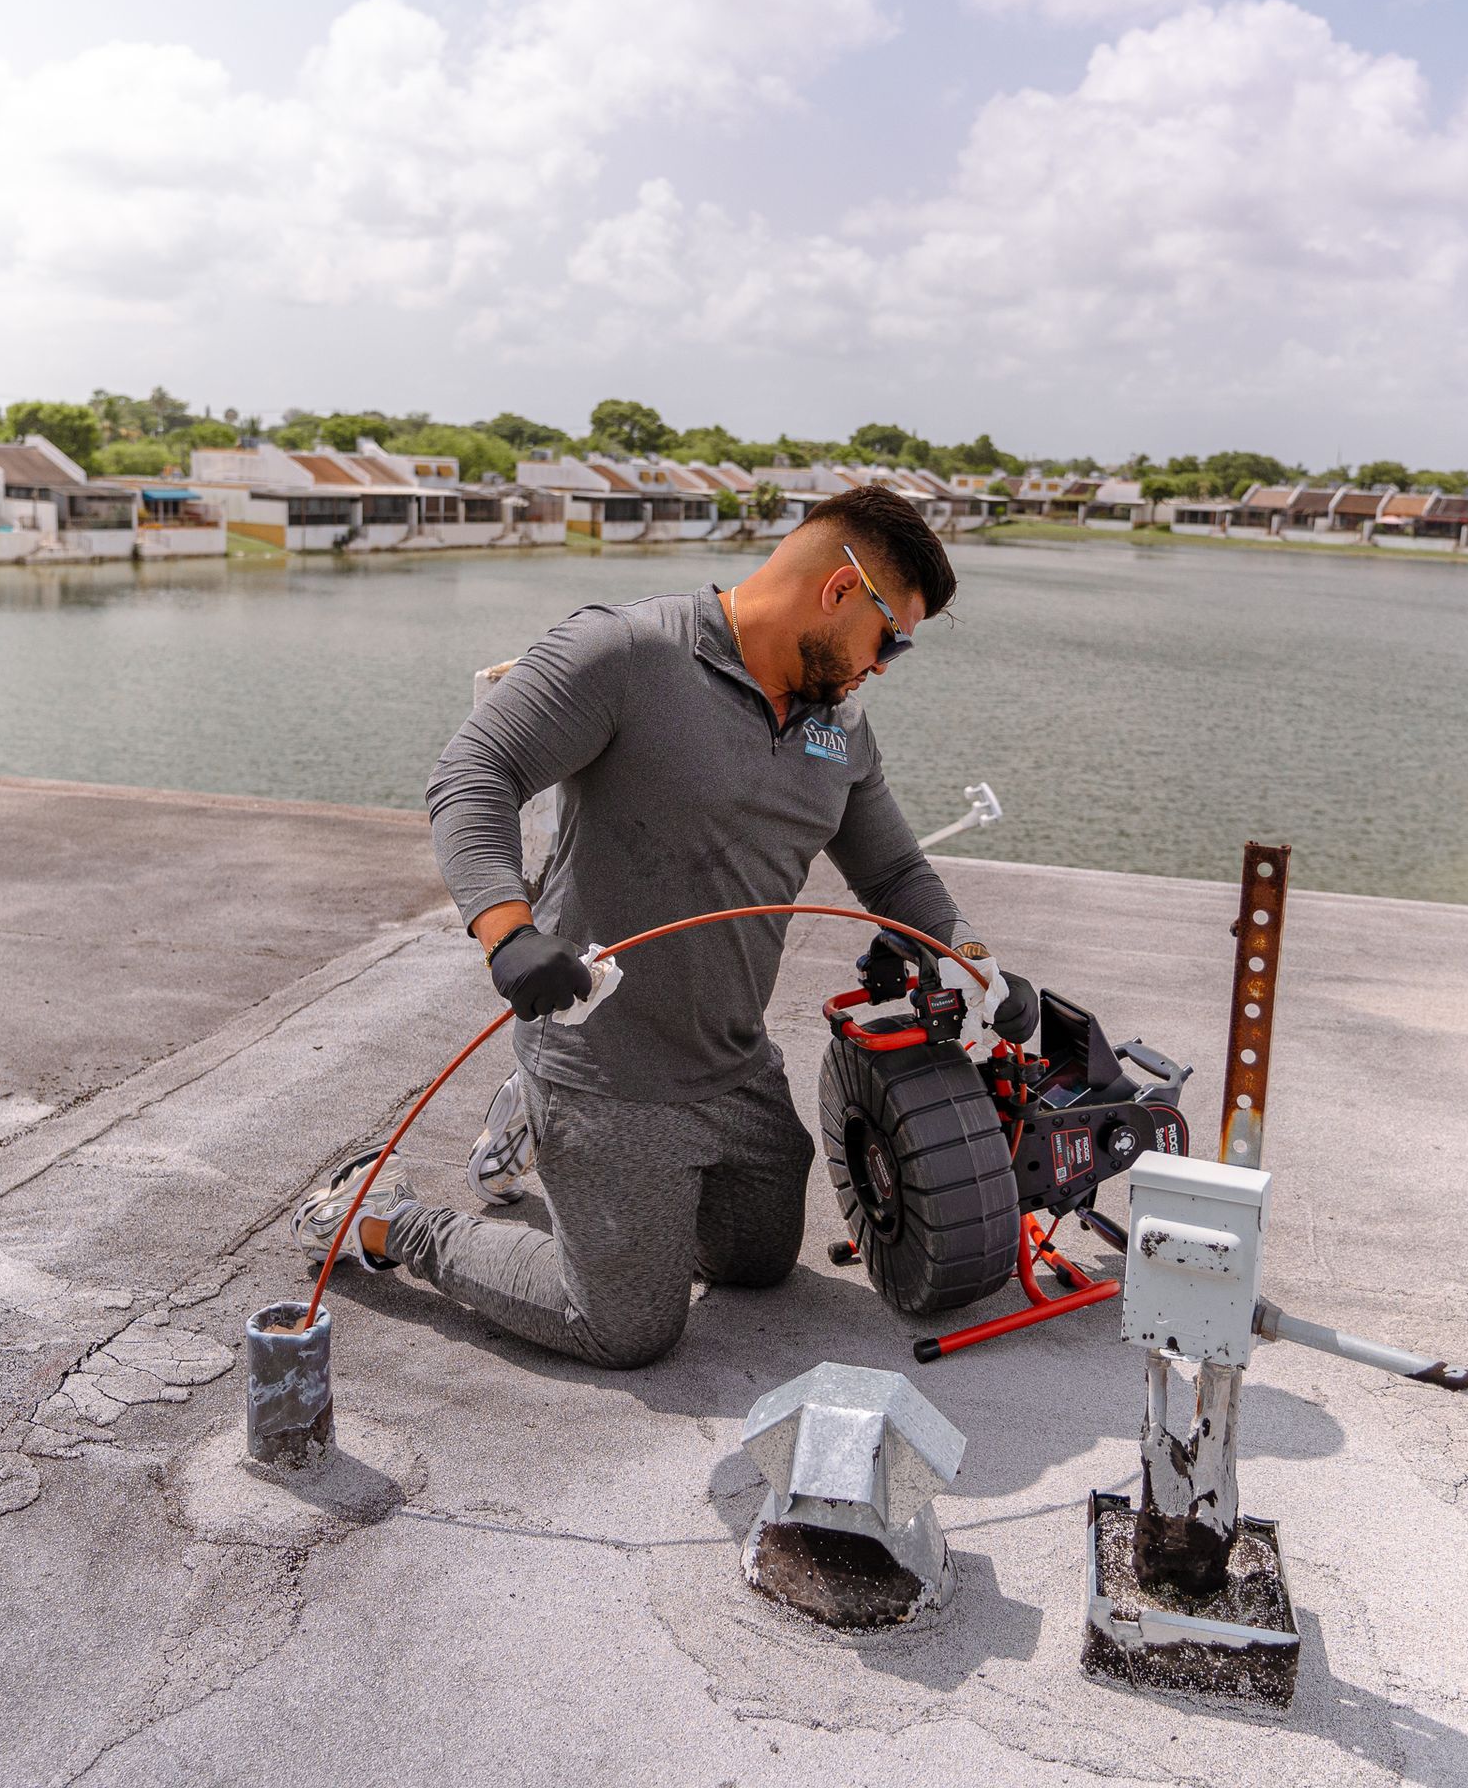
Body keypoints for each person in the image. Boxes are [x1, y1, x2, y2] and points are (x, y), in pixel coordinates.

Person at [290, 483, 1033, 1368]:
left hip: (732, 1061)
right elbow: (475, 771)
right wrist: (507, 930)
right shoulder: (626, 652)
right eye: (890, 641)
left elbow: (897, 871)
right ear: (840, 593)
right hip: (606, 1055)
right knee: (621, 1325)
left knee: (758, 1264)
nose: (883, 666)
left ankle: (539, 1125)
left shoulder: (840, 728)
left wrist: (977, 965)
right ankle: (388, 1218)